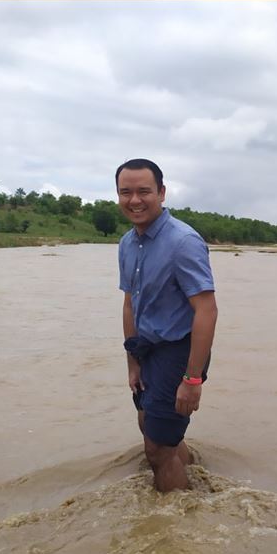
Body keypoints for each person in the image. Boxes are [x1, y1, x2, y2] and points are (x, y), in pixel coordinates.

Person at [118, 158, 217, 493]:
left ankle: (177, 521)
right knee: (150, 425)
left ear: (161, 192)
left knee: (156, 449)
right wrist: (132, 361)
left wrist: (191, 379)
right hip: (147, 348)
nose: (135, 200)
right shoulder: (127, 243)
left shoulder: (183, 242)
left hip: (180, 350)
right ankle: (196, 479)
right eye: (125, 192)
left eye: (144, 191)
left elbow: (206, 310)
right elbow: (130, 303)